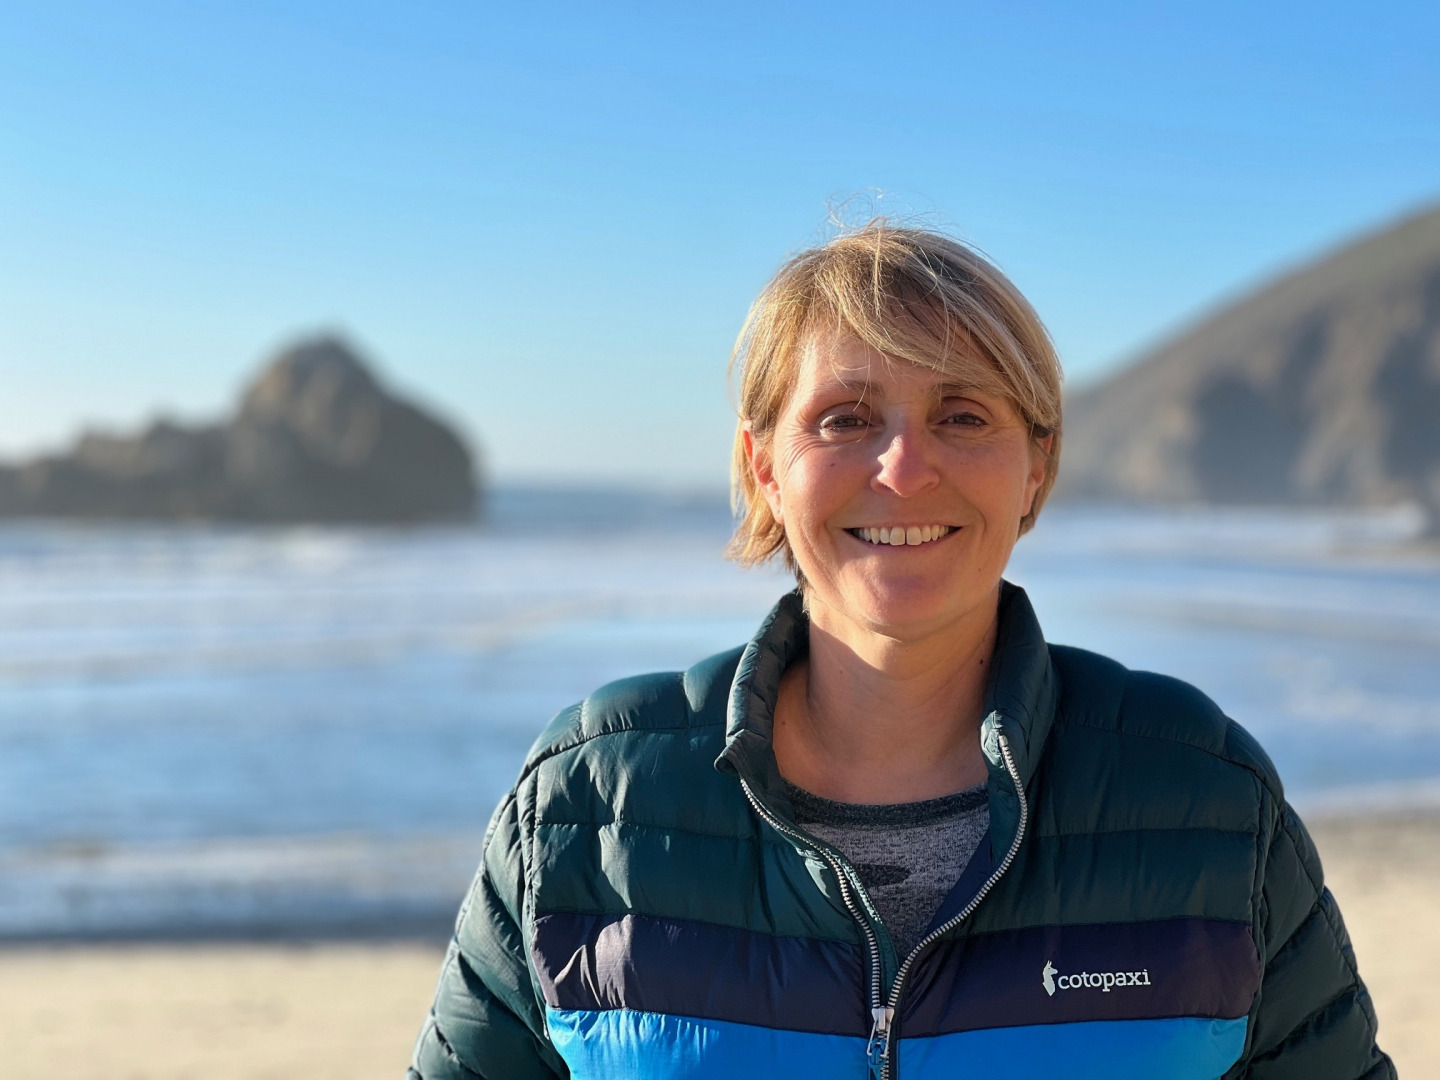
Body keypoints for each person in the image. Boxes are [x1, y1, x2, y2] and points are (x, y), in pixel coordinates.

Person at [409, 223, 1393, 1079]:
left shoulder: (1205, 803)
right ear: (764, 466)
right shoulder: (585, 809)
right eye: (846, 419)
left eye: (962, 416)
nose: (905, 468)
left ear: (1036, 464)